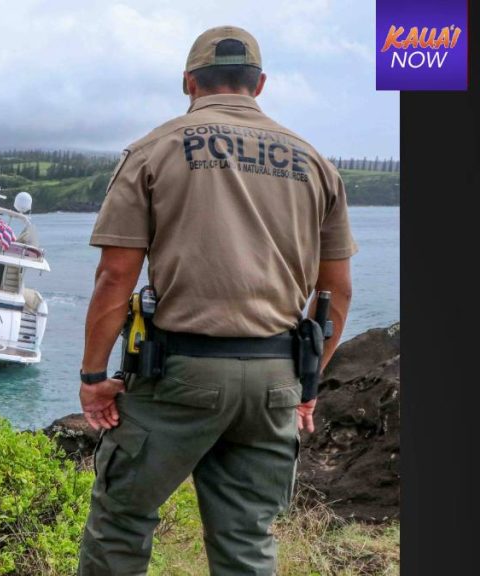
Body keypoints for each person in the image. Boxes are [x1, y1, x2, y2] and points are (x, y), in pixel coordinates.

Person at [76, 26, 356, 575]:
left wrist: (92, 380)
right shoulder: (315, 163)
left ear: (189, 82)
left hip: (182, 374)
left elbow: (115, 277)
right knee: (247, 541)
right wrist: (307, 383)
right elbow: (337, 291)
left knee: (123, 518)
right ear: (261, 84)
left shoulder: (154, 150)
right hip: (275, 379)